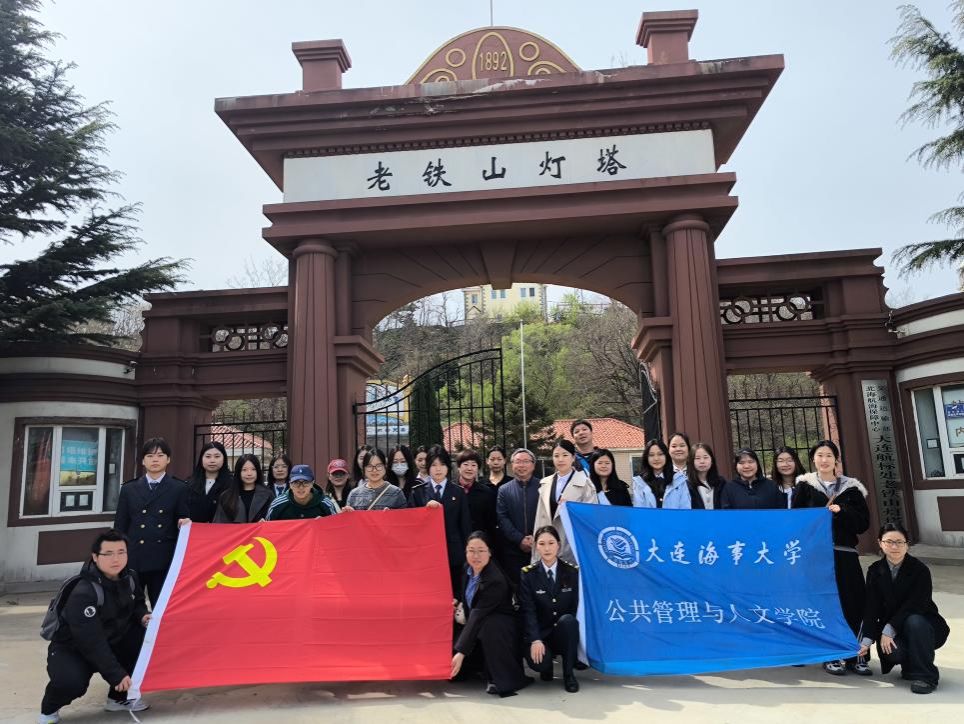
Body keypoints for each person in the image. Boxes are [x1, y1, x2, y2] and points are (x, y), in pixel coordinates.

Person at [38, 531, 151, 722]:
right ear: (95, 557)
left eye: (121, 552)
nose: (116, 559)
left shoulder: (130, 577)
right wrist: (116, 674)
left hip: (112, 640)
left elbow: (137, 602)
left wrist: (142, 616)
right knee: (71, 683)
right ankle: (49, 710)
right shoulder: (83, 591)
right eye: (108, 553)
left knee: (145, 640)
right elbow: (90, 640)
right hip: (74, 648)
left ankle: (118, 699)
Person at [793, 439, 871, 676]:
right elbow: (796, 521)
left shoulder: (852, 488)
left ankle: (857, 654)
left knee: (852, 602)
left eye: (829, 455)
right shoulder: (804, 486)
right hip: (817, 556)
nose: (824, 459)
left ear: (836, 460)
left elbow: (863, 524)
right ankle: (831, 654)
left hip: (845, 554)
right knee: (825, 603)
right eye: (819, 455)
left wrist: (842, 511)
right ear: (813, 459)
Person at [859, 523, 950, 694]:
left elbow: (916, 604)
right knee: (893, 653)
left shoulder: (920, 570)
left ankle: (926, 677)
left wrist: (890, 627)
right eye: (889, 542)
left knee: (914, 621)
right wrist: (867, 639)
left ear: (907, 544)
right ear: (880, 543)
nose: (894, 547)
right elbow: (871, 607)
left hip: (924, 626)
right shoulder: (875, 570)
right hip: (894, 631)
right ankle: (910, 665)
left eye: (899, 542)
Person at [451, 531, 533, 697]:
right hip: (477, 621)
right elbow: (467, 597)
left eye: (481, 550)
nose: (476, 556)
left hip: (500, 627)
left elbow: (478, 614)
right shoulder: (467, 568)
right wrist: (457, 601)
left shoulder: (495, 580)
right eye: (471, 550)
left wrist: (461, 652)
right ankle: (478, 666)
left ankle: (502, 678)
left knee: (489, 626)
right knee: (456, 674)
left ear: (489, 552)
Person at [113, 437, 190, 607]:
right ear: (142, 460)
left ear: (168, 459)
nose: (155, 460)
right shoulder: (129, 489)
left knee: (161, 606)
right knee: (131, 606)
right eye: (149, 456)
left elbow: (183, 523)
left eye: (160, 455)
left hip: (163, 558)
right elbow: (120, 525)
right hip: (135, 557)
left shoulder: (179, 488)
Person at [518, 525, 581, 692]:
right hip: (541, 634)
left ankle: (568, 674)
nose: (547, 548)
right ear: (536, 547)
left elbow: (575, 607)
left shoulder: (572, 572)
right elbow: (528, 610)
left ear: (558, 545)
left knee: (569, 621)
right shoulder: (528, 574)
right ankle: (547, 666)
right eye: (542, 544)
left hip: (563, 632)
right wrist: (535, 639)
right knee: (539, 664)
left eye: (551, 543)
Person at [410, 446, 472, 591]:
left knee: (454, 593)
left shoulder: (458, 492)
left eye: (442, 464)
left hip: (454, 554)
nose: (438, 469)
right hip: (427, 553)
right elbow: (412, 524)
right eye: (434, 465)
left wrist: (467, 552)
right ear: (428, 467)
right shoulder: (418, 492)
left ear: (448, 467)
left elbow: (465, 525)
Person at [532, 439, 598, 564]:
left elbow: (591, 516)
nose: (560, 459)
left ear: (573, 458)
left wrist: (572, 509)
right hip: (547, 546)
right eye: (556, 456)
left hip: (572, 545)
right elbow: (539, 520)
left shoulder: (585, 484)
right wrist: (536, 551)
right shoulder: (545, 483)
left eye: (565, 455)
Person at [496, 448, 541, 585]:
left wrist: (535, 538)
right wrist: (520, 539)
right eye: (518, 461)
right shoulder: (504, 490)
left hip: (539, 547)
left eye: (526, 461)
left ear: (533, 465)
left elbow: (547, 515)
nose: (521, 465)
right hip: (513, 549)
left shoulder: (543, 487)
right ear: (512, 465)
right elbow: (502, 518)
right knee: (518, 587)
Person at [213, 454, 274, 523]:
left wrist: (265, 523)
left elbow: (274, 520)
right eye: (244, 470)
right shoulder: (226, 496)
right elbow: (220, 523)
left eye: (253, 469)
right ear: (238, 472)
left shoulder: (268, 495)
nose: (249, 473)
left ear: (258, 471)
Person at [632, 439, 691, 509]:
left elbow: (685, 509)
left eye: (660, 454)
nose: (656, 458)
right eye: (651, 455)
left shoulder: (679, 480)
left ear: (666, 456)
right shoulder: (639, 482)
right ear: (646, 458)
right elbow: (639, 510)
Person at [266, 464, 339, 520]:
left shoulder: (326, 504)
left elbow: (336, 528)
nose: (301, 487)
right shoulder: (277, 505)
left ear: (312, 484)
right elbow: (267, 530)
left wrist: (326, 524)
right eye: (296, 482)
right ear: (290, 484)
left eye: (305, 482)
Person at [344, 449, 408, 511]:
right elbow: (349, 518)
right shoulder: (354, 494)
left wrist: (391, 515)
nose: (374, 470)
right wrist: (348, 513)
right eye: (369, 466)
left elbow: (404, 517)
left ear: (385, 467)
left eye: (379, 466)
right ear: (364, 469)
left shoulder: (396, 493)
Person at [455, 449, 498, 539]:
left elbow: (491, 524)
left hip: (479, 542)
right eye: (466, 464)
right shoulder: (450, 490)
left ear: (478, 469)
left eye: (473, 465)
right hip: (456, 541)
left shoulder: (487, 493)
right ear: (458, 467)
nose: (469, 468)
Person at [185, 441, 232, 523]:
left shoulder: (231, 484)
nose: (212, 460)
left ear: (224, 459)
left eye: (217, 456)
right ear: (201, 459)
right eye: (208, 456)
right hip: (195, 529)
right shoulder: (189, 483)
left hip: (221, 529)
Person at [687, 442, 727, 510]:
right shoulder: (687, 484)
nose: (702, 461)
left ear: (712, 461)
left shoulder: (721, 482)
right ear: (691, 461)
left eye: (705, 457)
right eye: (697, 458)